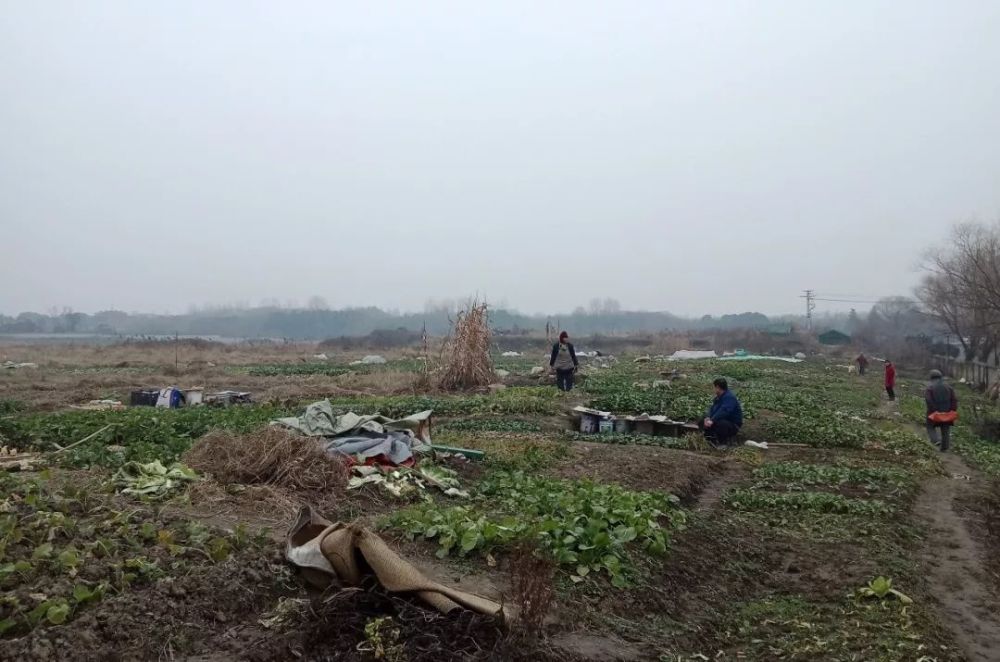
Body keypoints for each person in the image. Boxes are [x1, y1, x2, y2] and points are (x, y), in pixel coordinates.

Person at [698, 378, 743, 447]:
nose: (713, 389)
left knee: (721, 423)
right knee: (702, 420)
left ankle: (723, 443)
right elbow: (712, 409)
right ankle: (709, 441)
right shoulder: (718, 398)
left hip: (733, 425)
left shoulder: (729, 397)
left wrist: (712, 420)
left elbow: (724, 411)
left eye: (714, 387)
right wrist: (708, 417)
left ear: (718, 387)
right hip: (719, 420)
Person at [925, 369, 958, 452]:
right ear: (940, 377)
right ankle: (945, 447)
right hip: (947, 412)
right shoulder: (949, 387)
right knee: (945, 429)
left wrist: (933, 409)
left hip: (934, 412)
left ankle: (935, 440)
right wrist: (952, 409)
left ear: (931, 377)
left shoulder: (930, 388)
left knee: (930, 426)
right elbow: (953, 399)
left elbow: (928, 400)